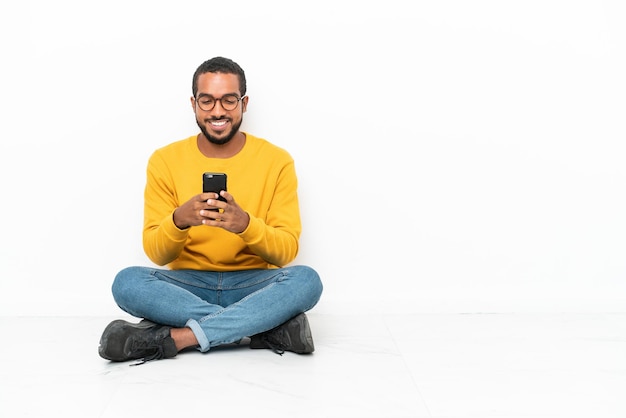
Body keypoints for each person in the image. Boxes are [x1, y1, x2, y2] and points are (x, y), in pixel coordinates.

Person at [98, 56, 323, 364]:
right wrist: (179, 221)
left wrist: (245, 225)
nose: (218, 111)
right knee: (127, 282)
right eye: (207, 101)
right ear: (194, 104)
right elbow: (156, 254)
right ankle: (261, 328)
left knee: (307, 281)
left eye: (229, 100)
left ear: (244, 103)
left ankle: (178, 339)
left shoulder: (276, 161)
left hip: (252, 285)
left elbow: (286, 253)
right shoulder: (165, 160)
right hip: (188, 287)